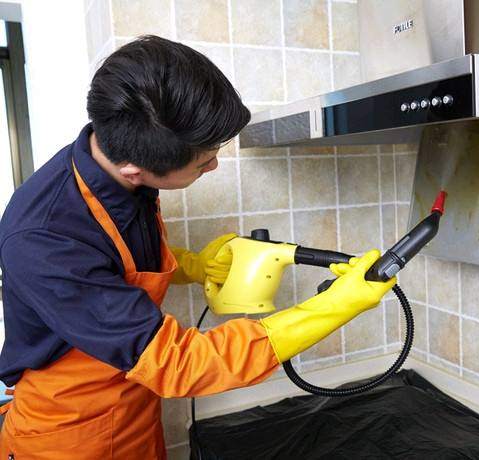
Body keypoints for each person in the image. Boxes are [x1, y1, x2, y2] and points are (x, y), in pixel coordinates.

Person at [0, 35, 394, 459]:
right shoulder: (45, 237)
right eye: (204, 162)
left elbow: (112, 268)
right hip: (69, 435)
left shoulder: (115, 164)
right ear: (135, 170)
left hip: (134, 413)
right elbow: (178, 363)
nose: (214, 165)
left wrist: (194, 266)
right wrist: (334, 307)